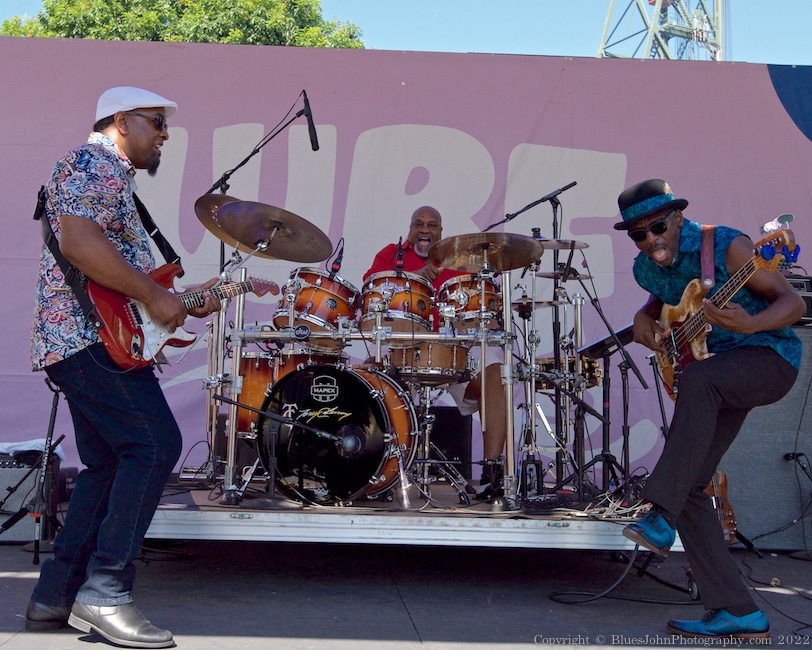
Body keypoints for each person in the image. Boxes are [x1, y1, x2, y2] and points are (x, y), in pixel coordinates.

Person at [25, 86, 221, 648]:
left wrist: (176, 300)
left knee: (108, 465)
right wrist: (158, 300)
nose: (164, 133)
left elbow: (120, 278)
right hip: (86, 340)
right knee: (154, 445)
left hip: (82, 342)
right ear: (120, 122)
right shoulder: (96, 162)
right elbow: (81, 243)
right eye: (155, 122)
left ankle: (55, 593)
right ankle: (106, 592)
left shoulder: (105, 174)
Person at [616, 179, 805, 639]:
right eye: (638, 234)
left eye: (657, 227)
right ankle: (736, 610)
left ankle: (657, 511)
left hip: (768, 358)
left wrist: (750, 322)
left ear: (678, 218)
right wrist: (643, 320)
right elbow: (660, 304)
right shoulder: (647, 267)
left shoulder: (729, 247)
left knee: (700, 381)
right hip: (716, 375)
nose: (650, 239)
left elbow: (793, 303)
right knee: (694, 488)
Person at [364, 206, 507, 496]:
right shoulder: (391, 254)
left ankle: (493, 472)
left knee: (496, 373)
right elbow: (371, 289)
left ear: (441, 232)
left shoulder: (460, 257)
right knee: (372, 380)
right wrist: (416, 276)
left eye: (432, 225)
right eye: (419, 224)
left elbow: (484, 300)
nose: (425, 229)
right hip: (406, 343)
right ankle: (380, 471)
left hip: (457, 343)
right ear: (410, 229)